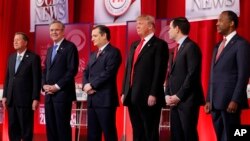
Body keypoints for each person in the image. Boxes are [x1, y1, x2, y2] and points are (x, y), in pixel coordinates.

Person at [121, 14, 169, 141]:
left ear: (150, 26)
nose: (137, 26)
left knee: (150, 131)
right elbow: (128, 70)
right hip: (132, 95)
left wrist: (153, 93)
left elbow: (160, 71)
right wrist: (124, 91)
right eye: (137, 24)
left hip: (148, 96)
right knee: (137, 130)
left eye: (140, 24)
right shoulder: (135, 44)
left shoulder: (159, 45)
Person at [204, 10, 250, 141]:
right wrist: (208, 99)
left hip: (230, 102)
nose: (217, 24)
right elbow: (213, 75)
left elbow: (243, 75)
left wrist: (235, 100)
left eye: (221, 20)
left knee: (232, 136)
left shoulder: (241, 44)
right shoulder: (217, 46)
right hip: (215, 103)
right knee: (220, 137)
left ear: (231, 23)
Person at [165, 17, 205, 141]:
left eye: (170, 28)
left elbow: (192, 75)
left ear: (177, 29)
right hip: (174, 102)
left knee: (188, 134)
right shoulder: (176, 49)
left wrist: (179, 96)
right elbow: (170, 75)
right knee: (176, 136)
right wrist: (167, 94)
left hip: (187, 101)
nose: (168, 31)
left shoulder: (191, 47)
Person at [83, 25, 121, 141]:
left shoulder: (113, 52)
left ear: (104, 35)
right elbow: (86, 72)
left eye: (95, 36)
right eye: (91, 36)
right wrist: (85, 86)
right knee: (92, 134)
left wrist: (92, 85)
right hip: (92, 99)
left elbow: (108, 73)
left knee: (109, 133)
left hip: (105, 100)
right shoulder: (93, 54)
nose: (92, 39)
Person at [42, 20, 79, 141]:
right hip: (49, 96)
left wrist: (56, 86)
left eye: (56, 30)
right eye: (51, 30)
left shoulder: (70, 47)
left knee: (62, 128)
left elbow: (71, 70)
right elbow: (45, 70)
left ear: (63, 32)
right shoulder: (50, 50)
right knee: (51, 129)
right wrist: (44, 86)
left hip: (62, 95)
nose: (54, 32)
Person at [2, 32, 41, 141]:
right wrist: (5, 96)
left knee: (26, 129)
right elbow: (7, 78)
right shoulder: (11, 57)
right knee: (12, 129)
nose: (15, 42)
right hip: (11, 100)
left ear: (25, 42)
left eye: (18, 39)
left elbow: (36, 79)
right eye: (14, 40)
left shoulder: (33, 58)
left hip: (25, 100)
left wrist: (35, 98)